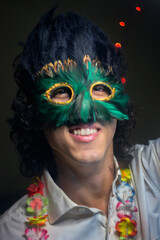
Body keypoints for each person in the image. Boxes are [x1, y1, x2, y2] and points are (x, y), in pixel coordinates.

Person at [0, 7, 160, 240]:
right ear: (35, 113)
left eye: (100, 88)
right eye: (62, 92)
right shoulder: (10, 233)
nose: (85, 112)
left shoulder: (153, 172)